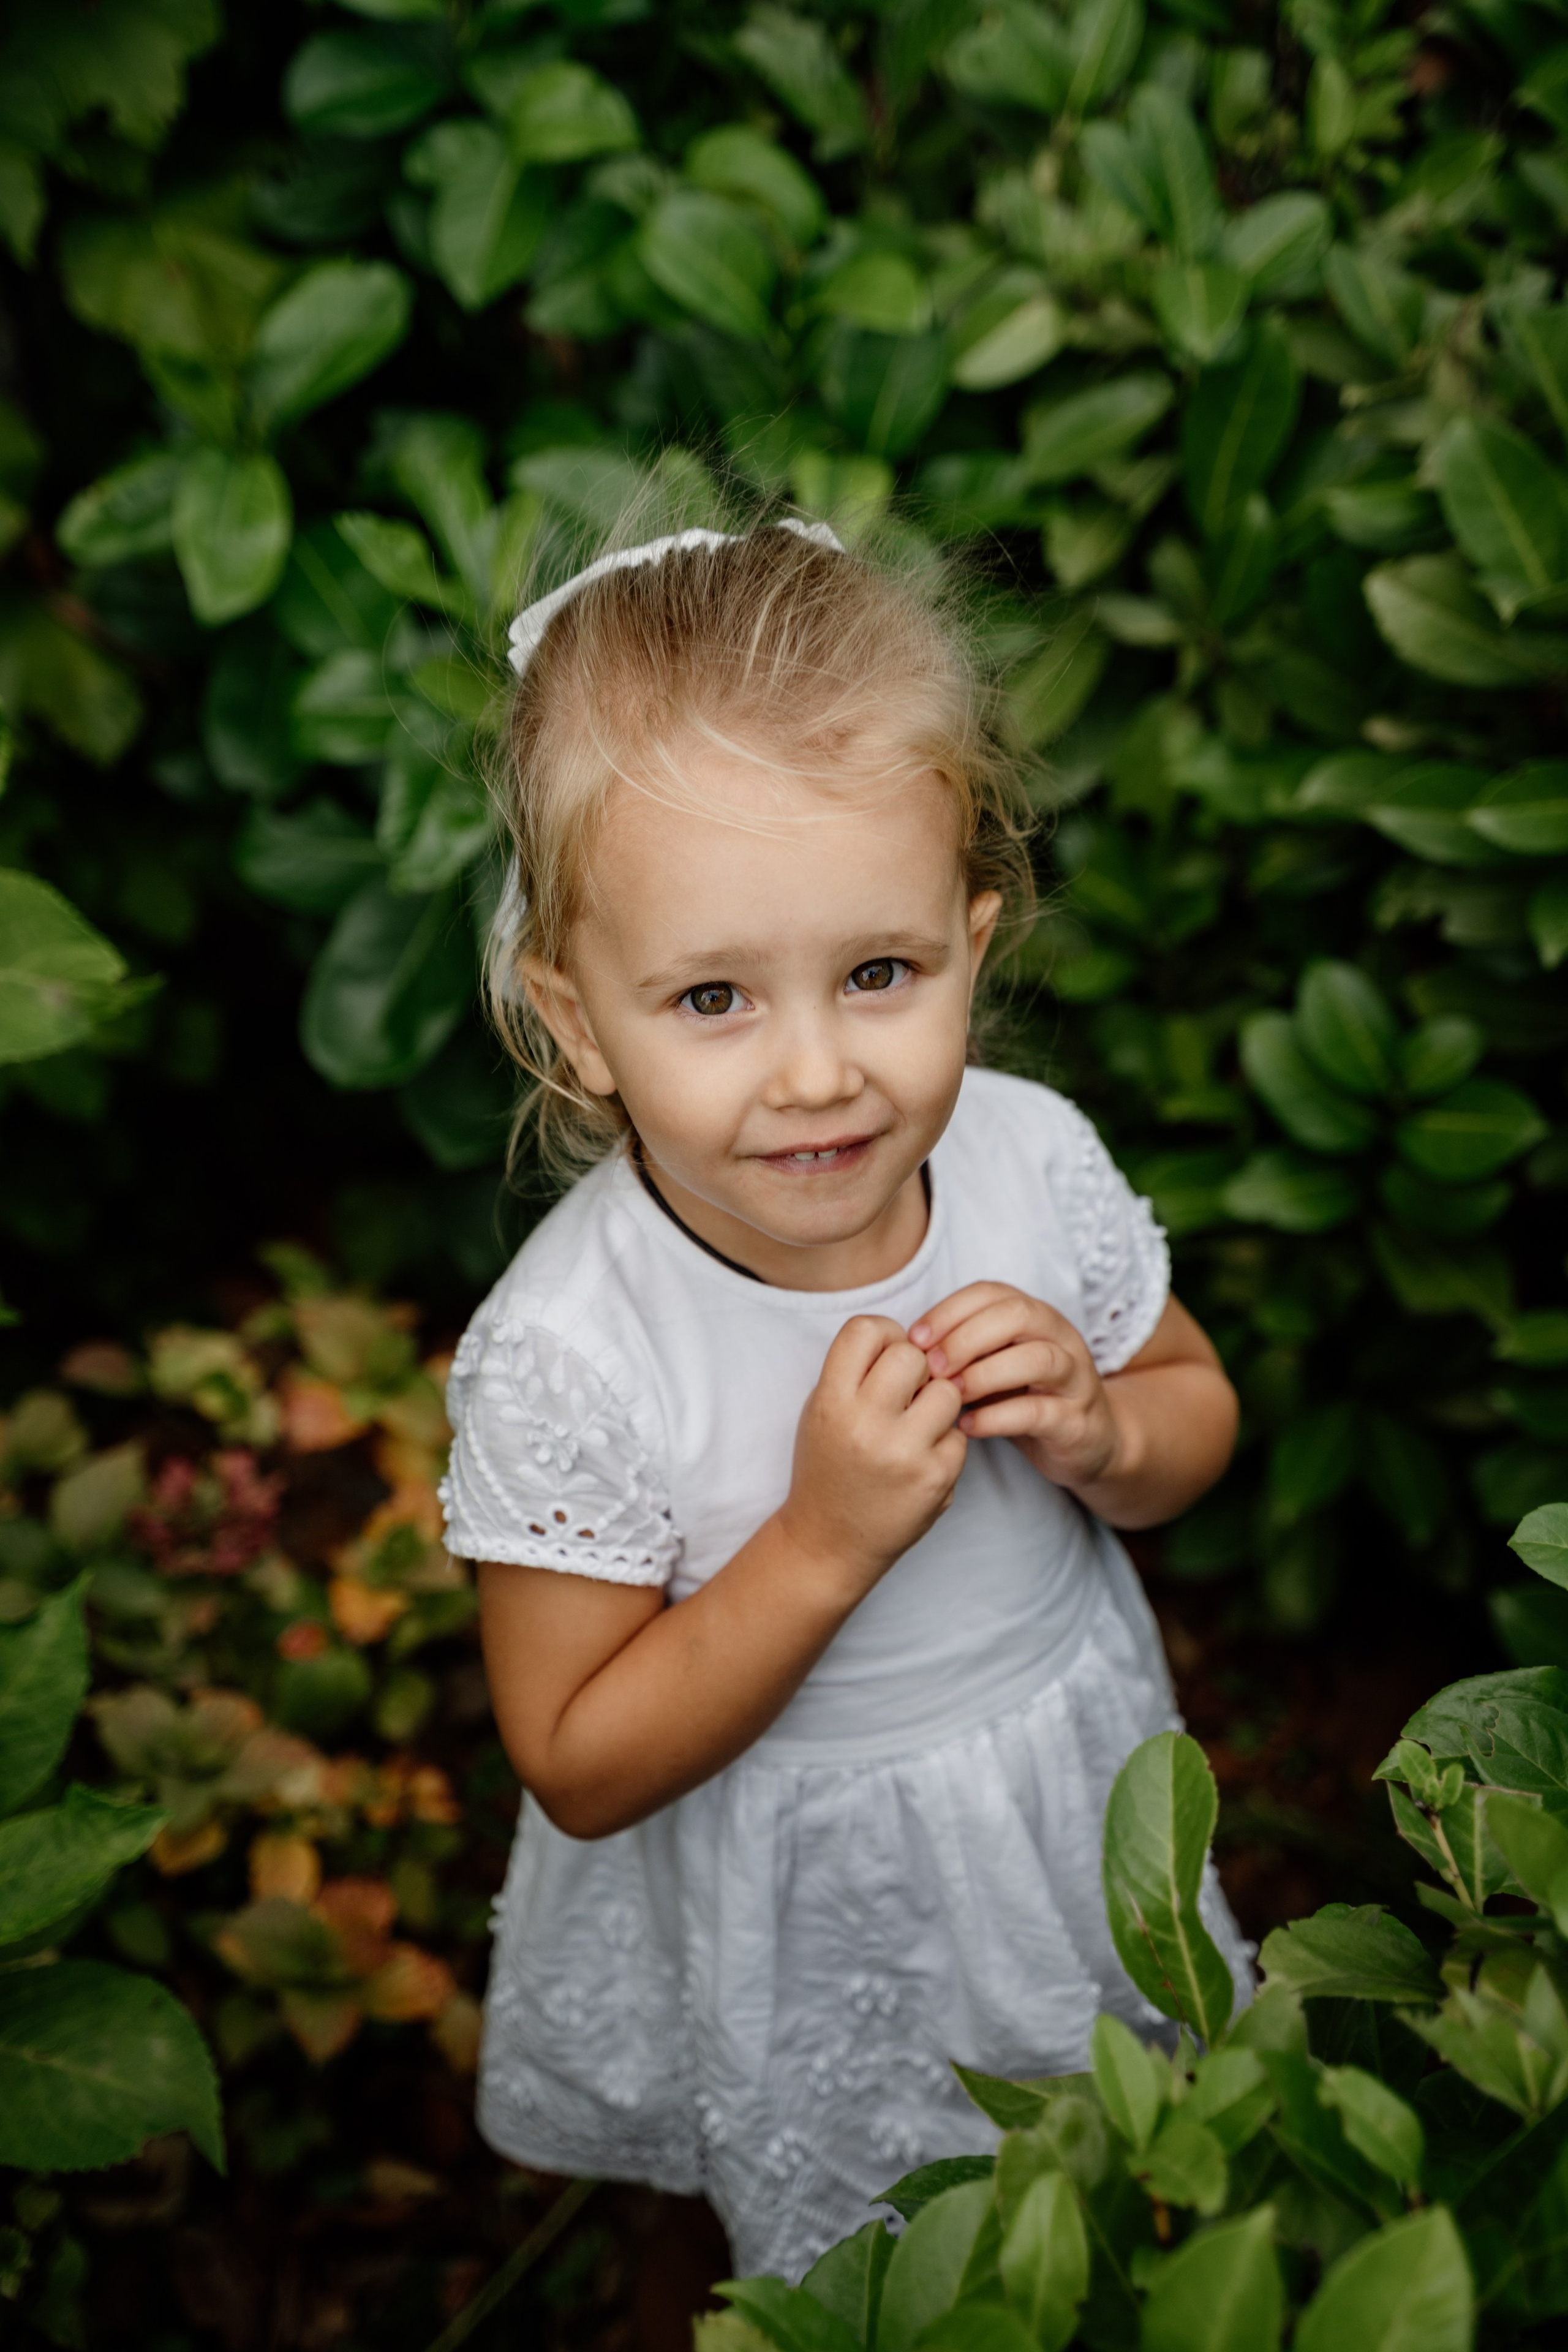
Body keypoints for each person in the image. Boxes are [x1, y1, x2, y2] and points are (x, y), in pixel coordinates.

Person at [439, 506, 1249, 2283]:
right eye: (713, 996)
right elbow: (577, 1761)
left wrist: (1107, 1432)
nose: (816, 1074)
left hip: (1054, 1795)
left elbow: (1194, 1421)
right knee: (839, 2253)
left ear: (976, 938)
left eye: (880, 974)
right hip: (796, 1886)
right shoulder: (579, 1347)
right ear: (578, 1022)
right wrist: (817, 1544)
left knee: (1122, 2201)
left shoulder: (1032, 1168)